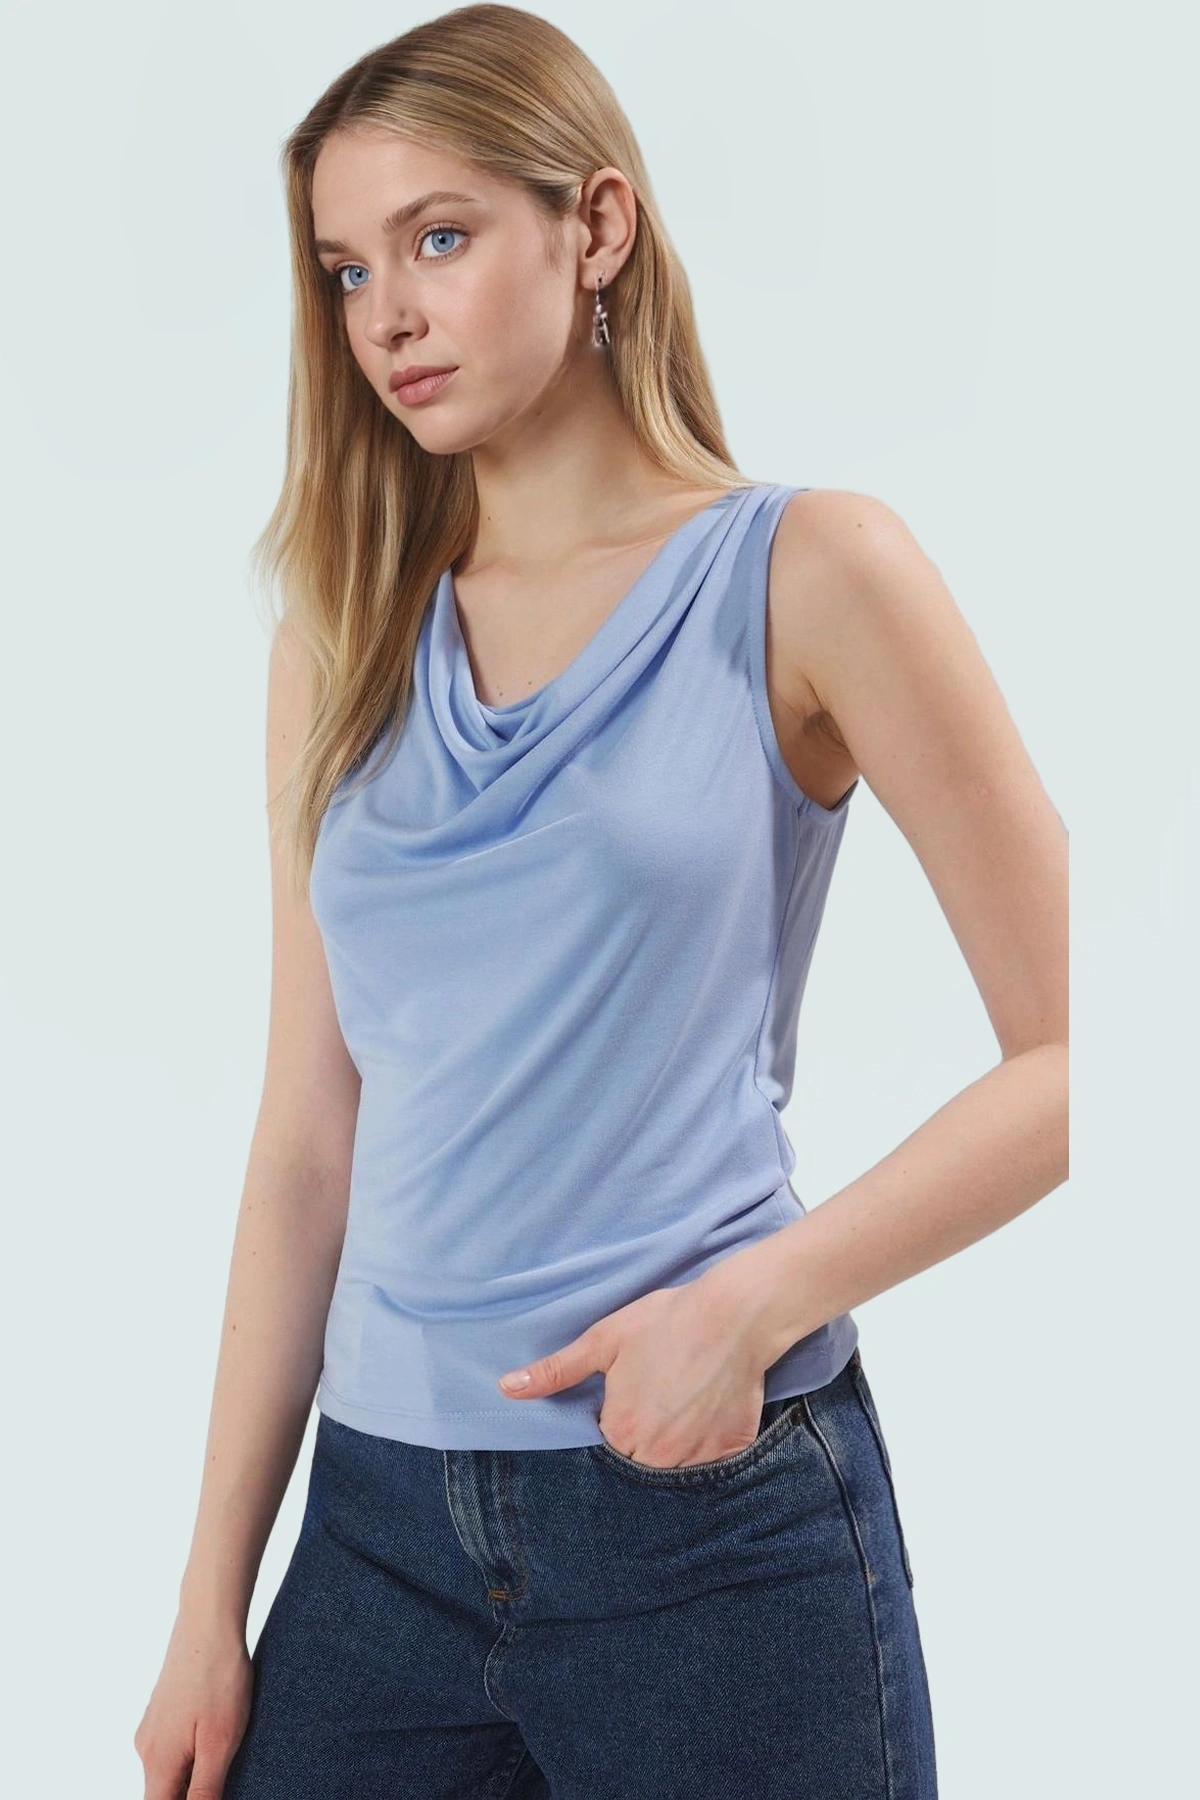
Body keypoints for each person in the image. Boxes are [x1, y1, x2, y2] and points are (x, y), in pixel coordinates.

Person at [133, 7, 1069, 1798]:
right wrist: (207, 1600)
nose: (386, 316)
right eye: (346, 270)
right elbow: (310, 1135)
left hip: (707, 1520)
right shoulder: (341, 633)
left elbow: (1088, 1051)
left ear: (600, 229)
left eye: (439, 237)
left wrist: (754, 1303)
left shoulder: (809, 572)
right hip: (376, 1530)